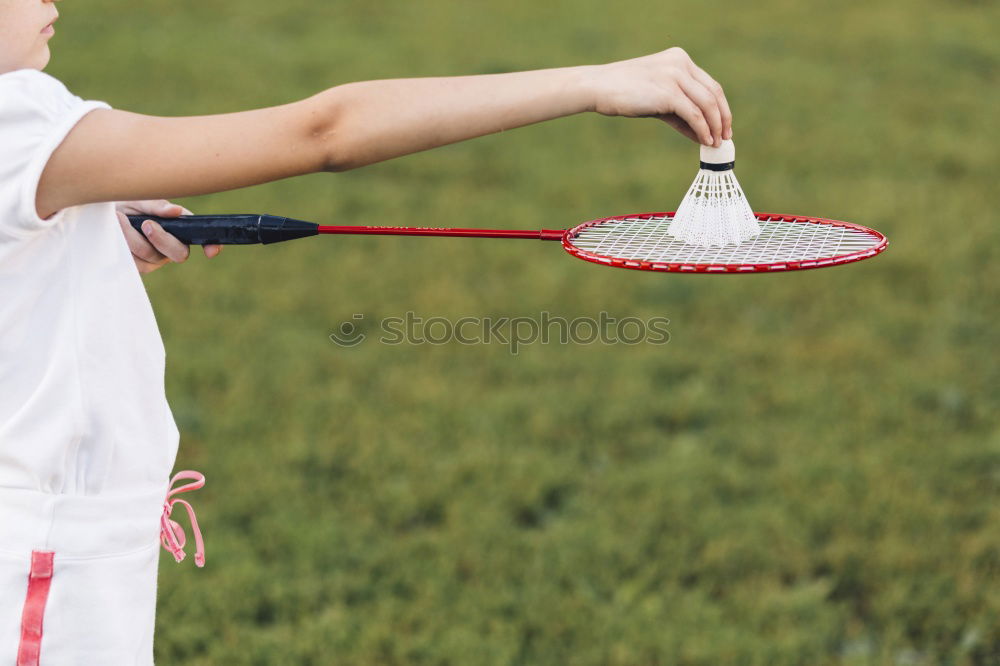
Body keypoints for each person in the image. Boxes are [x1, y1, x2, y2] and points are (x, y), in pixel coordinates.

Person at [0, 0, 733, 662]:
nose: (49, 1)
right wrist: (595, 83)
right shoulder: (19, 120)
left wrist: (82, 235)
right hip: (45, 557)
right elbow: (327, 131)